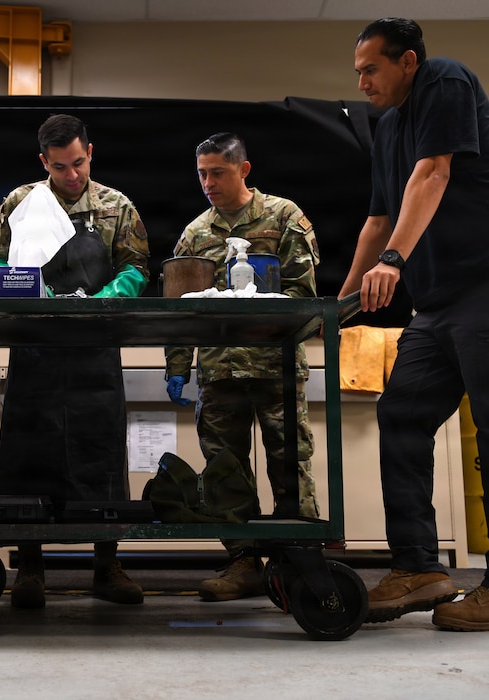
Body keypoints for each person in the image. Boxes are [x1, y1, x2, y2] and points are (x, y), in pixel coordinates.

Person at [339, 18, 489, 631]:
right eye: (356, 72)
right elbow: (378, 221)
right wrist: (340, 305)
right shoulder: (386, 129)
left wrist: (392, 264)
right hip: (441, 301)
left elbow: (434, 172)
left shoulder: (445, 80)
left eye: (371, 69)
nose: (362, 82)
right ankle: (420, 568)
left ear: (407, 61)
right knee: (401, 413)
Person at [0, 114, 151, 608]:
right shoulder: (20, 203)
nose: (72, 175)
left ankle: (107, 565)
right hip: (35, 348)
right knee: (28, 455)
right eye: (60, 167)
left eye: (78, 163)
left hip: (95, 348)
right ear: (43, 162)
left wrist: (105, 299)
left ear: (90, 152)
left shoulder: (116, 206)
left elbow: (137, 267)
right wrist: (23, 285)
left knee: (101, 457)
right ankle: (30, 568)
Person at [164, 132, 320, 602]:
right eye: (202, 174)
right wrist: (178, 364)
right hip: (219, 373)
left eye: (218, 173)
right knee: (224, 470)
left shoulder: (284, 217)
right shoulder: (195, 234)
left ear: (243, 170)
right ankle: (244, 561)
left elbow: (305, 295)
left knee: (290, 462)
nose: (208, 183)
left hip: (275, 368)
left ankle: (301, 558)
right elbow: (180, 307)